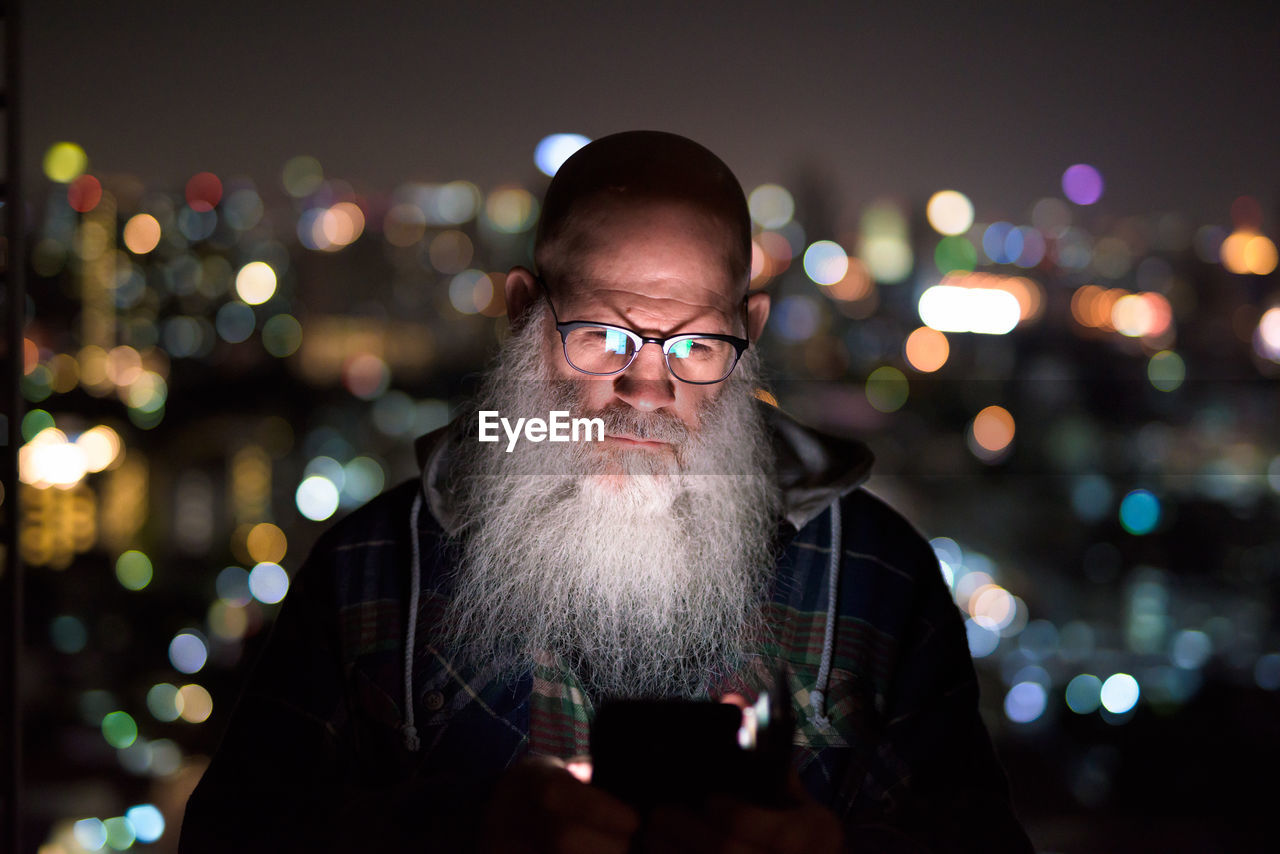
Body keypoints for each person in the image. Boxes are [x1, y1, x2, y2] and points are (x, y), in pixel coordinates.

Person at [180, 131, 1034, 853]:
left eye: (697, 345)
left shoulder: (877, 580)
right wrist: (459, 833)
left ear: (751, 335)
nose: (647, 390)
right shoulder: (371, 571)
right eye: (603, 335)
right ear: (523, 315)